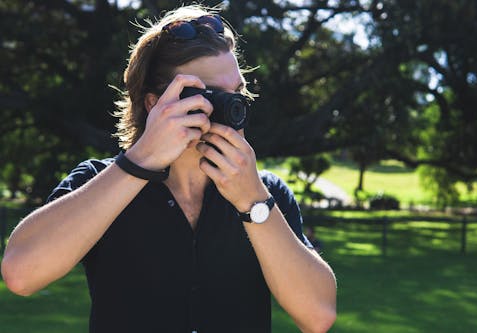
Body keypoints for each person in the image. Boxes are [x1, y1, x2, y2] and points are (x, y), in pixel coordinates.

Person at [1, 5, 337, 333]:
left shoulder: (266, 196)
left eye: (237, 94)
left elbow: (318, 317)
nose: (232, 108)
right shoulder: (99, 182)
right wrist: (140, 161)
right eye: (211, 96)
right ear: (155, 104)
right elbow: (21, 274)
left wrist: (254, 203)